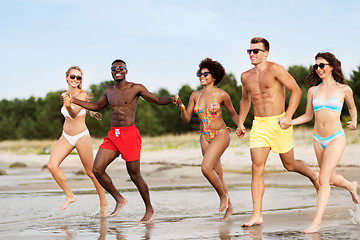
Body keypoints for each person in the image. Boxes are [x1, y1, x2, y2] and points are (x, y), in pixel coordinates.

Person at [63, 59, 177, 223]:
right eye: (114, 68)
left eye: (121, 68)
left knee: (134, 175)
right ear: (111, 72)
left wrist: (172, 99)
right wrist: (73, 100)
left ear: (126, 71)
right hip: (113, 135)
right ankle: (119, 199)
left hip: (129, 135)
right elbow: (96, 106)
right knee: (97, 170)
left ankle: (149, 209)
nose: (118, 70)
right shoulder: (109, 91)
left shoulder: (135, 88)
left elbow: (156, 100)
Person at [235, 37, 319, 227]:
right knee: (256, 167)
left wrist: (288, 116)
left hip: (279, 122)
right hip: (259, 126)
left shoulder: (276, 69)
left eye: (256, 51)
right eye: (249, 51)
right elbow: (245, 100)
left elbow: (296, 91)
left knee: (289, 165)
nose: (252, 54)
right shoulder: (245, 76)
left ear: (266, 53)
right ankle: (257, 214)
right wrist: (241, 122)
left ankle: (314, 176)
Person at [291, 52, 359, 233]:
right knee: (328, 178)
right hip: (317, 138)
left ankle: (317, 222)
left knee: (322, 179)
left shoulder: (344, 89)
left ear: (331, 66)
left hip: (336, 137)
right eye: (316, 66)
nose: (318, 69)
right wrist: (290, 121)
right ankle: (350, 186)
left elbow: (352, 107)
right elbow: (307, 115)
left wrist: (354, 121)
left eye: (322, 65)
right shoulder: (313, 91)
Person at [174, 58, 239, 221]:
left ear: (214, 76)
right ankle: (229, 208)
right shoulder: (195, 95)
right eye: (199, 73)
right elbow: (187, 119)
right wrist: (182, 107)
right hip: (204, 136)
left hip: (220, 134)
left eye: (205, 73)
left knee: (205, 168)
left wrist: (241, 126)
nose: (201, 76)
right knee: (217, 173)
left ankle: (223, 197)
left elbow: (233, 113)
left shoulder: (222, 94)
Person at [47, 66, 107, 217]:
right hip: (66, 136)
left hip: (81, 136)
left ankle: (103, 202)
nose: (75, 80)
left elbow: (73, 114)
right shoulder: (65, 94)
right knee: (52, 165)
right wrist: (65, 100)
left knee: (91, 173)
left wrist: (68, 104)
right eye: (72, 76)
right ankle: (70, 195)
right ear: (66, 77)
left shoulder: (83, 95)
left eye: (78, 77)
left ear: (81, 80)